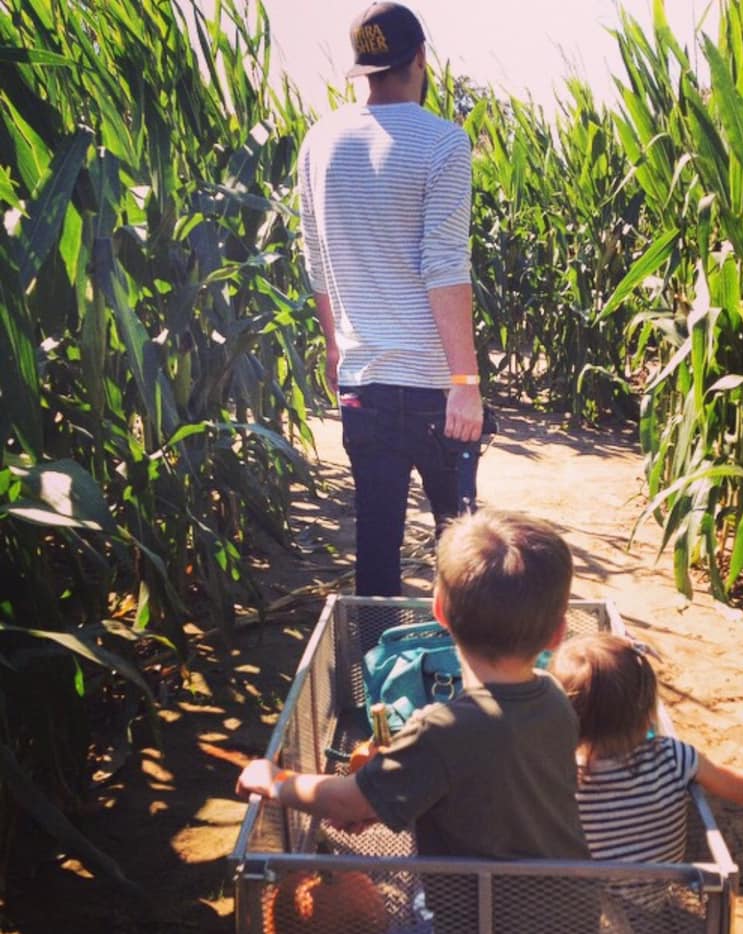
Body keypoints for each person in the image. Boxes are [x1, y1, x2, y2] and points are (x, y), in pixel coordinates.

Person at [237, 510, 596, 932]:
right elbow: (490, 787)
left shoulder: (441, 729)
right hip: (573, 913)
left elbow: (345, 802)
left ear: (439, 611)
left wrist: (276, 780)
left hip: (480, 920)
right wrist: (392, 797)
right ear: (558, 632)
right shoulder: (554, 699)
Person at [297, 2, 486, 596]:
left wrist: (334, 348)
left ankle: (375, 676)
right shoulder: (444, 143)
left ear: (363, 69)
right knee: (462, 552)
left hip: (364, 384)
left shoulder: (319, 141)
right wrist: (465, 381)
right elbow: (445, 267)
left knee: (375, 550)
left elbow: (315, 259)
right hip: (435, 391)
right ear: (420, 59)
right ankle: (470, 679)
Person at [550, 632, 743, 919]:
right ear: (646, 711)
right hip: (654, 903)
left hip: (591, 911)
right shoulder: (673, 757)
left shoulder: (561, 776)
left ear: (565, 717)